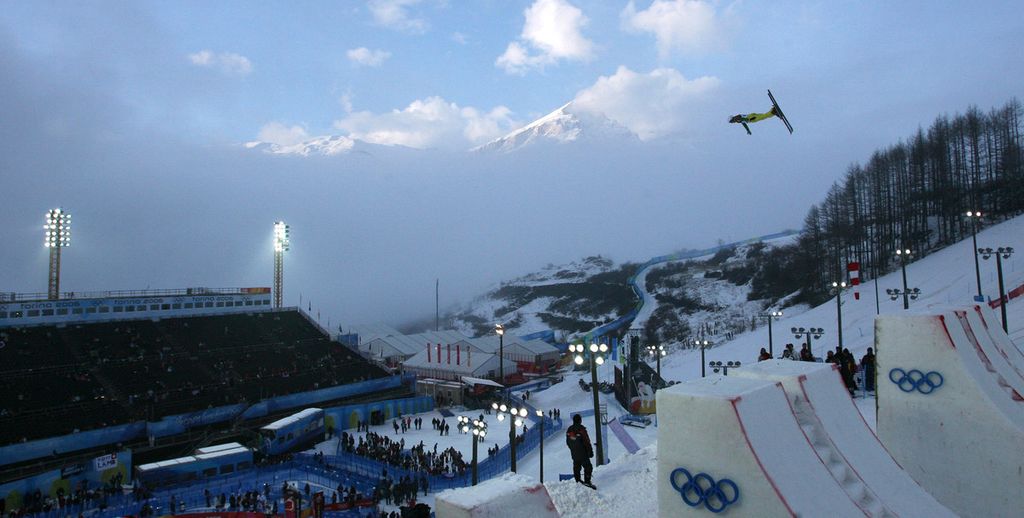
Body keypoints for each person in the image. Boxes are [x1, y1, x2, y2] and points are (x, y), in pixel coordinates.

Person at [565, 414, 595, 488]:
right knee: (588, 467)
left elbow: (568, 441)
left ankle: (578, 481)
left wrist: (573, 448)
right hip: (583, 452)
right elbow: (586, 441)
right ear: (580, 420)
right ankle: (587, 482)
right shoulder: (581, 429)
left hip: (574, 453)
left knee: (576, 466)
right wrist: (590, 451)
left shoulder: (569, 429)